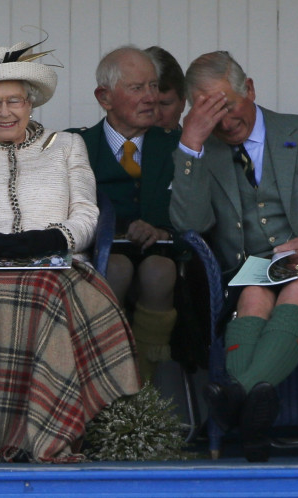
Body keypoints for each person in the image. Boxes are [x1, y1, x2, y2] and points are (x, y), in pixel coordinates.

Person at [0, 40, 139, 463]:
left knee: (45, 298)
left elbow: (88, 215)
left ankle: (49, 435)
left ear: (31, 103)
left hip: (58, 270)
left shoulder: (68, 146)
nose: (4, 112)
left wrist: (48, 240)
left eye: (14, 100)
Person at [169, 50, 298, 461]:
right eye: (211, 115)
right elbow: (188, 224)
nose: (225, 122)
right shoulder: (201, 151)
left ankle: (235, 399)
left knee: (297, 289)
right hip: (252, 270)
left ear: (251, 89)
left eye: (230, 106)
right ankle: (254, 419)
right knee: (252, 296)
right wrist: (190, 145)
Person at [68, 46, 180, 383]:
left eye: (154, 86)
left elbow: (201, 210)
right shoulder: (75, 146)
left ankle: (141, 390)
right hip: (97, 256)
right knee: (115, 268)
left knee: (159, 270)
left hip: (166, 257)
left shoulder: (177, 146)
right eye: (137, 88)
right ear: (104, 97)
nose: (151, 98)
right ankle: (103, 383)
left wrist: (163, 231)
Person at [144, 46, 186, 131]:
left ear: (183, 103)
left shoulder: (200, 144)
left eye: (165, 104)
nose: (157, 115)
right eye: (147, 104)